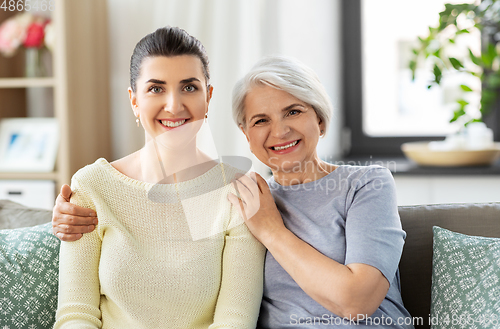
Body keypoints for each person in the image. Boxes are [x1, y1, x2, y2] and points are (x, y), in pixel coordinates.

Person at [53, 55, 414, 328]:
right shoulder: (239, 195)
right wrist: (64, 217)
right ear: (246, 135)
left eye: (293, 111)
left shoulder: (366, 184)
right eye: (261, 121)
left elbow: (358, 301)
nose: (280, 131)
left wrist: (271, 230)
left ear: (319, 118)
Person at [53, 26, 265, 329]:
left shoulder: (238, 189)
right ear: (134, 100)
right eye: (156, 88)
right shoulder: (91, 187)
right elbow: (76, 315)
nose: (174, 105)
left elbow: (235, 320)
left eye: (189, 87)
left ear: (209, 97)